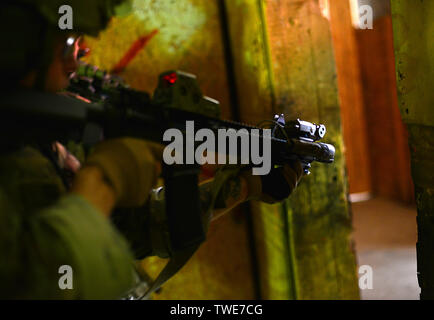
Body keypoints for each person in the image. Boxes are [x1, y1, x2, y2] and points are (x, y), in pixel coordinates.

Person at [0, 0, 303, 299]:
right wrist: (105, 180)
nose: (75, 60)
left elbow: (136, 229)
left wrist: (248, 185)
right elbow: (39, 282)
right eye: (66, 43)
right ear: (20, 45)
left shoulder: (39, 128)